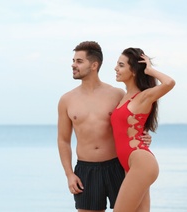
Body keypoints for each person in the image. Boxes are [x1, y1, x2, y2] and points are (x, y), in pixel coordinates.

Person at [57, 41, 152, 212]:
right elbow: (63, 140)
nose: (73, 65)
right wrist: (69, 174)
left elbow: (133, 121)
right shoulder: (67, 100)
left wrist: (143, 136)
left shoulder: (117, 94)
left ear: (94, 65)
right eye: (73, 60)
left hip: (117, 167)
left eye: (79, 61)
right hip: (86, 170)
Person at [110, 47, 175, 212]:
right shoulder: (123, 97)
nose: (116, 68)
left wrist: (150, 70)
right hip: (130, 164)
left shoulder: (143, 96)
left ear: (133, 71)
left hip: (141, 162)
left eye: (121, 65)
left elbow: (169, 83)